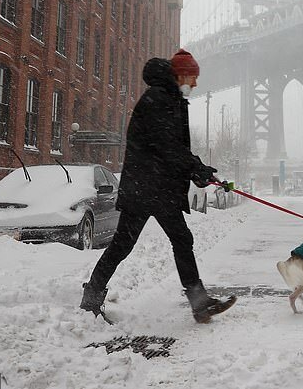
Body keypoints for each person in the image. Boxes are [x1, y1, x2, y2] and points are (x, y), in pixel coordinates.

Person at [80, 50, 236, 323]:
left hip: (156, 187)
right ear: (179, 75)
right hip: (148, 188)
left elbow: (172, 148)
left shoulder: (169, 99)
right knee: (126, 244)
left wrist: (196, 170)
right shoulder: (158, 99)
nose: (195, 83)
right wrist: (195, 167)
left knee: (175, 240)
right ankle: (91, 298)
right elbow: (167, 146)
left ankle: (199, 303)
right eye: (192, 77)